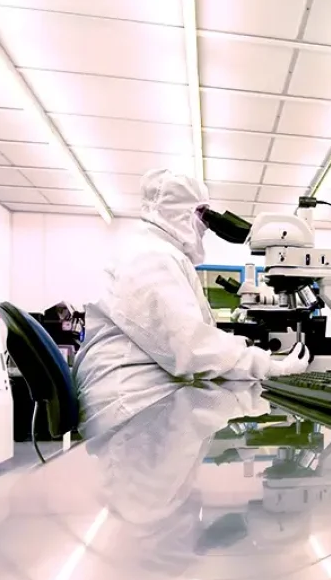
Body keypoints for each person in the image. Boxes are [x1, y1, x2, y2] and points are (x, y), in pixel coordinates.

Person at [73, 168, 309, 435]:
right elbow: (190, 347)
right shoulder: (151, 256)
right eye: (203, 214)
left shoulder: (156, 252)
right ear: (182, 212)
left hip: (142, 403)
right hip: (132, 410)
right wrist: (270, 367)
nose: (206, 225)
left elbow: (190, 342)